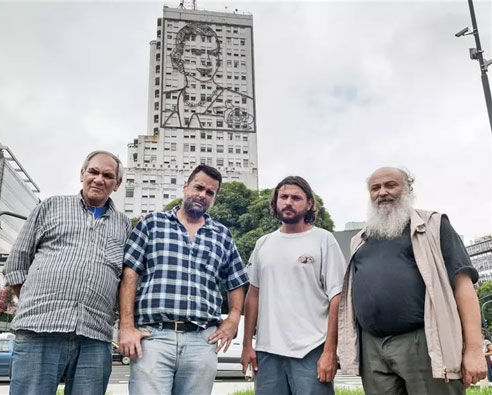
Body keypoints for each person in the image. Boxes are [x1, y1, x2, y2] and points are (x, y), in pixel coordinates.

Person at [337, 167, 486, 395]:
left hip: (424, 341)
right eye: (375, 188)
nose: (382, 192)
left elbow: (464, 287)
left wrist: (475, 350)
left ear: (408, 189)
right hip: (372, 347)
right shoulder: (360, 240)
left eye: (391, 185)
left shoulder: (434, 226)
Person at [3, 150, 130, 395]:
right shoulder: (51, 206)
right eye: (93, 172)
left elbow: (124, 279)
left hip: (95, 335)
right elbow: (16, 264)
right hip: (39, 328)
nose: (99, 179)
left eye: (107, 175)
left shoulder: (123, 225)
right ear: (82, 174)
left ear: (117, 184)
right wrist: (34, 302)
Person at [119, 164, 248, 395]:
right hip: (154, 338)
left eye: (210, 193)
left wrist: (234, 318)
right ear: (185, 186)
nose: (203, 195)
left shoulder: (222, 235)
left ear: (214, 199)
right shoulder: (152, 224)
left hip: (202, 340)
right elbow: (130, 274)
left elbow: (236, 280)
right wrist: (127, 326)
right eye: (198, 187)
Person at [241, 176, 347, 395]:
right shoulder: (263, 243)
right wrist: (246, 345)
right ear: (276, 202)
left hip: (311, 350)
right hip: (267, 353)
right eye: (284, 197)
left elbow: (338, 298)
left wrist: (330, 350)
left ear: (309, 203)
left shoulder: (323, 240)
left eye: (296, 197)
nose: (288, 202)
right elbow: (253, 295)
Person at [161, 22, 254, 130]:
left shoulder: (244, 102)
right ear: (178, 57)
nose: (207, 60)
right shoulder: (164, 101)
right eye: (196, 53)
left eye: (213, 54)